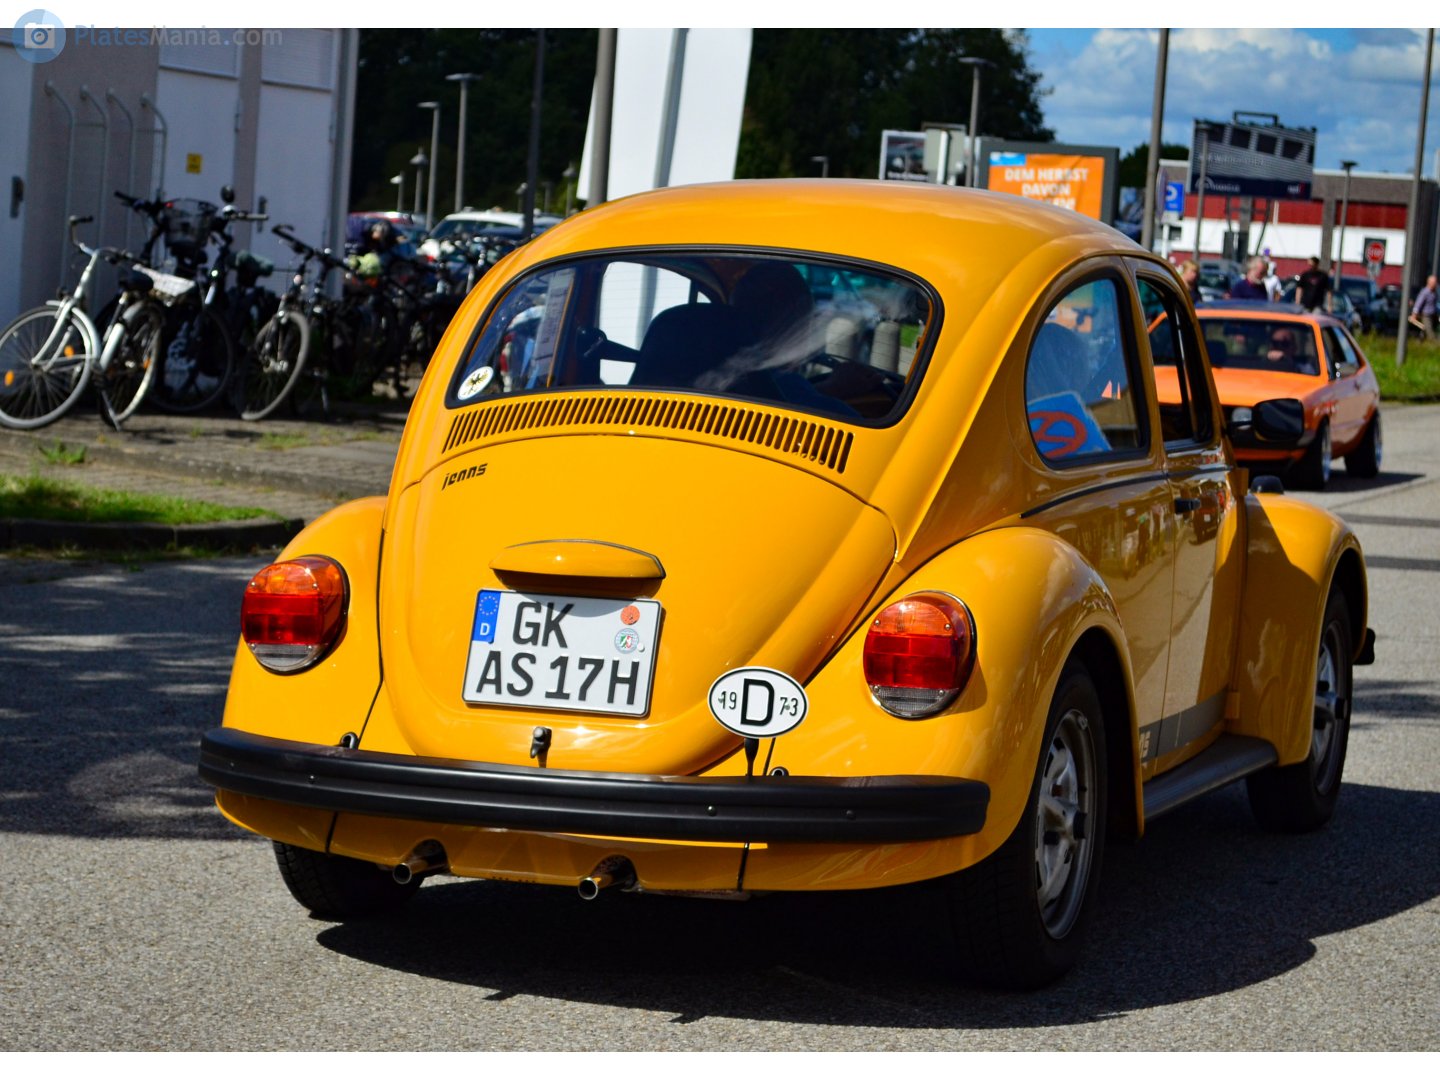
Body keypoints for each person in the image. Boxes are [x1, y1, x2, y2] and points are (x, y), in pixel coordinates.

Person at [1411, 274, 1437, 340]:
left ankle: (1419, 344)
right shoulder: (1425, 292)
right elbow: (1418, 304)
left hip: (1432, 315)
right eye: (1434, 283)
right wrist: (1414, 315)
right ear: (1429, 282)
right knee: (1430, 333)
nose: (1436, 284)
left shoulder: (1433, 292)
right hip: (1426, 316)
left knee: (1424, 333)